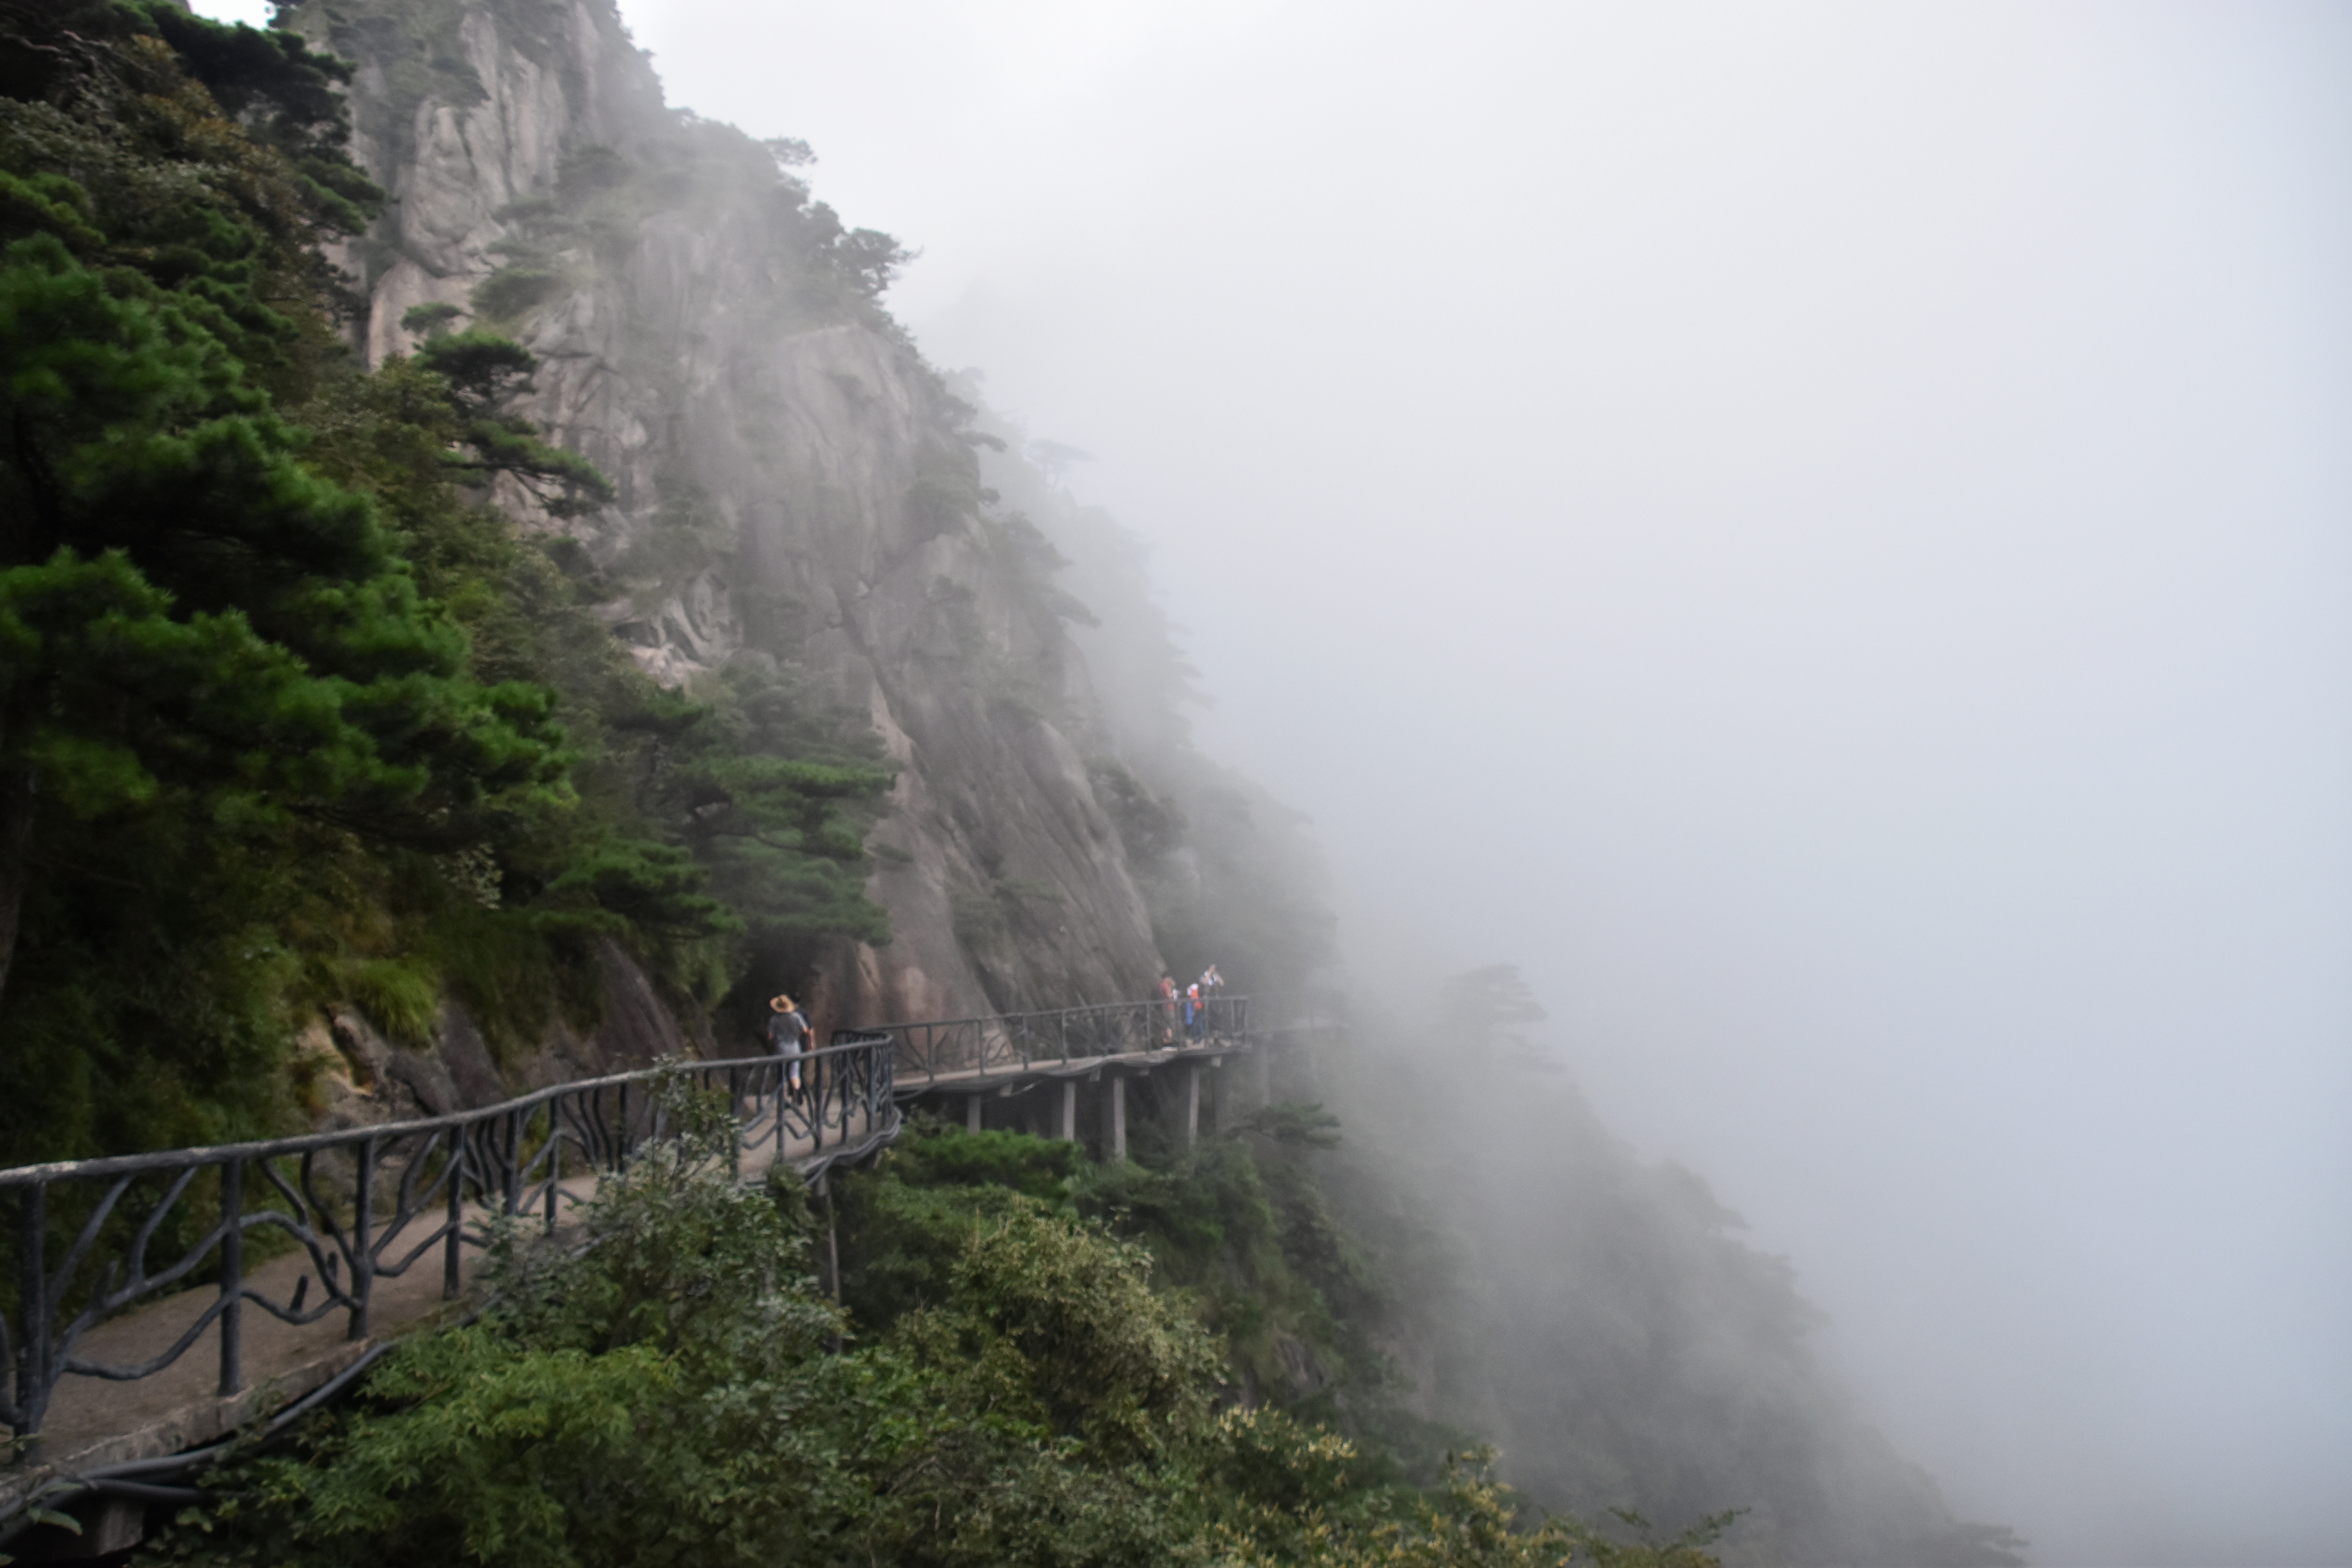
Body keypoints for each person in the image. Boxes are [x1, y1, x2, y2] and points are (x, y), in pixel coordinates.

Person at [767, 993, 811, 1095]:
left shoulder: (774, 1019)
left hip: (781, 1048)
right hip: (795, 1047)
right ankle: (796, 1094)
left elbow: (770, 1037)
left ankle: (784, 1099)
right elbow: (806, 1031)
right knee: (795, 1073)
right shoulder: (797, 1017)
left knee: (782, 1075)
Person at [1157, 973, 1178, 1044]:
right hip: (1168, 1007)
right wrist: (1176, 994)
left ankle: (1169, 1039)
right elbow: (1169, 995)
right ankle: (1170, 1039)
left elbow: (1173, 986)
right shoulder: (1164, 985)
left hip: (1169, 1006)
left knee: (1168, 1023)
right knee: (1170, 1023)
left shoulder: (1165, 985)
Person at [1185, 979, 1203, 1043]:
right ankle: (1200, 1038)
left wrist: (1193, 1011)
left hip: (1195, 1007)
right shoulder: (1199, 988)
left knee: (1196, 1023)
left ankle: (1196, 1038)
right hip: (1200, 1006)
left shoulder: (1190, 989)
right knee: (1199, 1023)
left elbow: (1193, 1000)